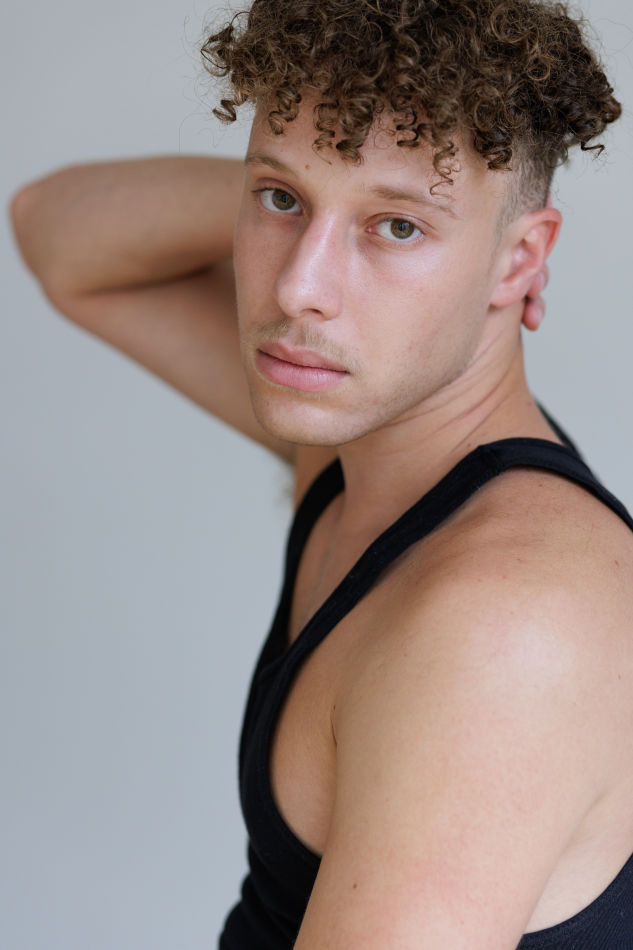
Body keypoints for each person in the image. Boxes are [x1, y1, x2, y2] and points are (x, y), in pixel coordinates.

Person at [9, 0, 633, 947]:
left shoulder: (502, 630)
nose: (298, 288)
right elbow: (56, 234)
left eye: (397, 228)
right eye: (279, 202)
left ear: (520, 260)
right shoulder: (363, 445)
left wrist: (324, 190)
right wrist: (337, 189)